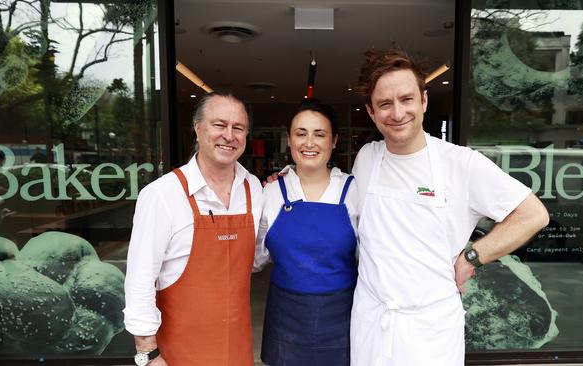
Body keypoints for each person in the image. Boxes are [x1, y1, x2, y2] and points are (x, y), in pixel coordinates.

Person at [348, 48, 550, 365]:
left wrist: (472, 257)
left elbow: (533, 215)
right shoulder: (367, 158)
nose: (397, 112)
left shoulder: (460, 163)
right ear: (372, 113)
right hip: (372, 322)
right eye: (385, 104)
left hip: (431, 331)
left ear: (424, 100)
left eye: (406, 99)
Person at [124, 92, 263, 366]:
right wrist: (148, 354)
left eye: (238, 128)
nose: (229, 135)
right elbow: (140, 279)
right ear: (197, 128)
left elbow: (256, 258)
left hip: (237, 350)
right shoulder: (162, 194)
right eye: (219, 125)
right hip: (178, 353)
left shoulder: (254, 189)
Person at [255, 99, 359, 365]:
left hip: (341, 317)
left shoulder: (354, 191)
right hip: (286, 318)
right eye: (301, 134)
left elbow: (372, 257)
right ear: (289, 140)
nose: (309, 143)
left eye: (319, 134)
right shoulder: (271, 192)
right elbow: (254, 258)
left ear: (334, 141)